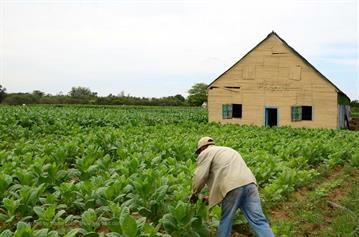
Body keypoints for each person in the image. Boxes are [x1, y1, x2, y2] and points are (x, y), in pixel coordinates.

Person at [190, 137, 274, 237]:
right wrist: (212, 197)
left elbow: (200, 177)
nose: (199, 154)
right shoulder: (227, 150)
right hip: (250, 184)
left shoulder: (206, 153)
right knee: (259, 220)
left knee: (226, 220)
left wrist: (194, 194)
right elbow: (221, 176)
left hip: (232, 187)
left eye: (199, 152)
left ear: (202, 148)